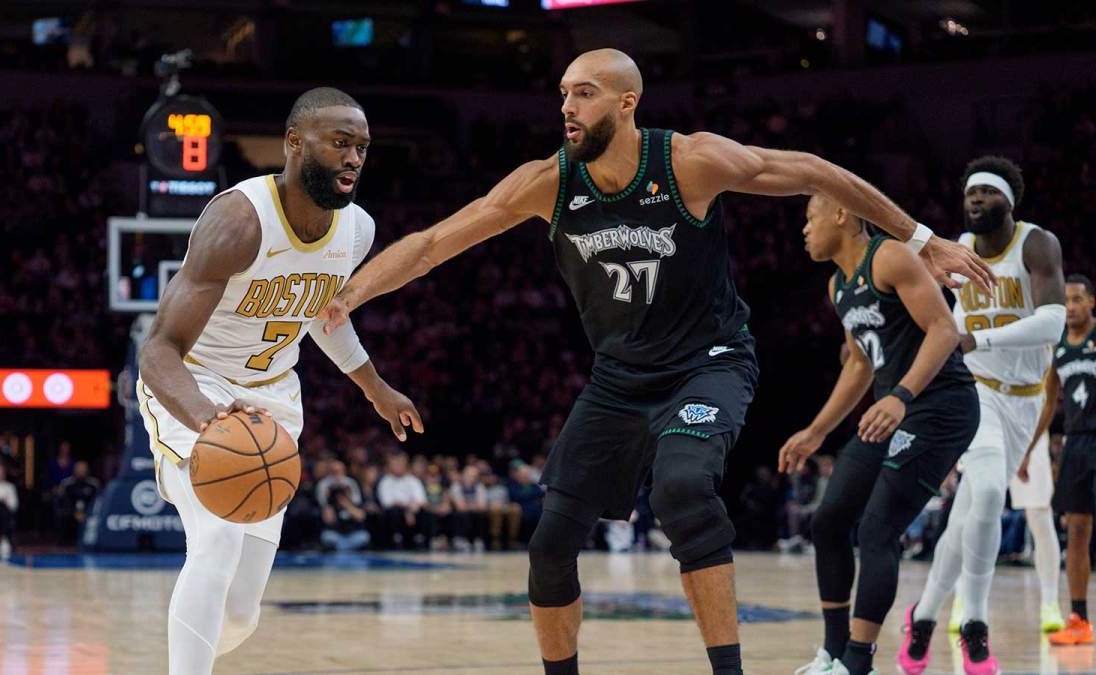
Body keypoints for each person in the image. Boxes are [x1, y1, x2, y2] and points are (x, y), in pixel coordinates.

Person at [315, 49, 992, 675]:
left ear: (627, 103)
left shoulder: (690, 162)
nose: (567, 107)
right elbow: (431, 243)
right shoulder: (549, 182)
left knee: (683, 487)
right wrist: (352, 293)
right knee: (549, 545)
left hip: (709, 363)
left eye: (584, 93)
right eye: (563, 93)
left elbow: (816, 172)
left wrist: (921, 238)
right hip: (619, 379)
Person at [136, 87, 423, 675]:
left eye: (362, 147)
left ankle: (185, 652)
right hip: (197, 385)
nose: (353, 158)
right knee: (215, 539)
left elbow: (321, 315)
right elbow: (158, 350)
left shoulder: (357, 230)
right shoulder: (239, 220)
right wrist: (208, 419)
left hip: (273, 402)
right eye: (339, 143)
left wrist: (375, 387)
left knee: (241, 614)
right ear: (295, 143)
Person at [781, 197, 979, 675]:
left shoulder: (889, 256)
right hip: (894, 412)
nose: (805, 230)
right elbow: (859, 364)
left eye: (810, 219)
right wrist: (816, 431)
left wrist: (901, 396)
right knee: (828, 521)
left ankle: (858, 661)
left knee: (877, 529)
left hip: (940, 407)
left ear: (841, 215)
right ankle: (832, 653)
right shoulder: (838, 285)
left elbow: (944, 330)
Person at [897, 157, 1065, 675]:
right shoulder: (957, 250)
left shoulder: (1036, 244)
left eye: (987, 193)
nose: (975, 200)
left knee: (969, 513)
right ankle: (975, 621)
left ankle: (924, 616)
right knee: (990, 492)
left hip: (1026, 398)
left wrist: (979, 337)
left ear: (1008, 203)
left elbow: (1053, 324)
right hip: (974, 391)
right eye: (970, 193)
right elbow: (929, 313)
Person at [1031, 275, 1096, 645]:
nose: (1070, 307)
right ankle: (1079, 619)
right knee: (1076, 531)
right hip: (1075, 444)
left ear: (1091, 302)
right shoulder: (1058, 347)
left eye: (1077, 299)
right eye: (1066, 301)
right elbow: (1048, 404)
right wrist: (1028, 449)